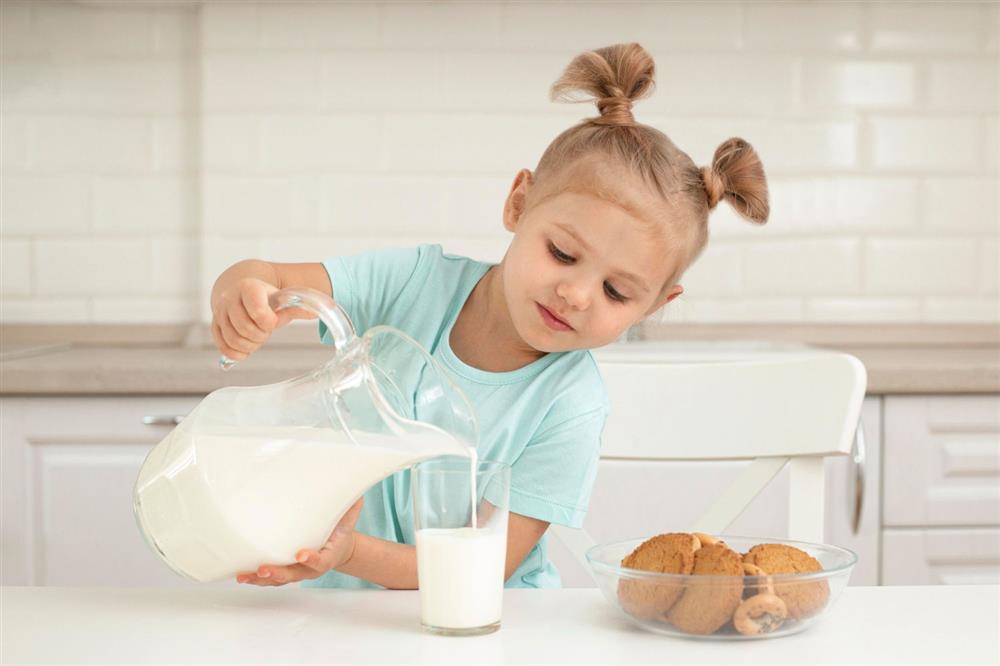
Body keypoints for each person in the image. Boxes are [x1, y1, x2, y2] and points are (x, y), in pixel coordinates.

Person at [209, 43, 769, 590]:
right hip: (335, 621)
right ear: (518, 204)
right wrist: (243, 293)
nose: (576, 294)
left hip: (487, 631)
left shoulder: (568, 406)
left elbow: (480, 567)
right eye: (562, 254)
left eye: (617, 291)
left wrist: (347, 552)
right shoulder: (414, 282)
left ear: (655, 305)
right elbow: (271, 277)